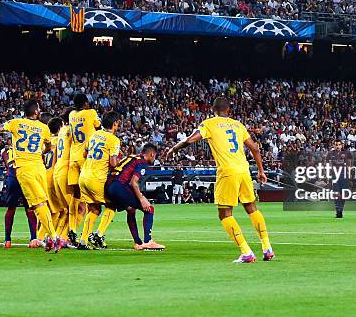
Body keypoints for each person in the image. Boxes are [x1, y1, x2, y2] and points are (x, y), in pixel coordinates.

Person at [166, 97, 273, 263]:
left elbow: (190, 140)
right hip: (244, 170)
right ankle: (267, 248)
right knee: (251, 208)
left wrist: (174, 148)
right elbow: (255, 148)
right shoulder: (238, 125)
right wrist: (260, 170)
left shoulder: (209, 123)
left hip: (227, 171)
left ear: (213, 109)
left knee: (224, 213)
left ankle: (246, 252)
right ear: (228, 110)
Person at [0, 99, 65, 252]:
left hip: (24, 170)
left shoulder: (15, 123)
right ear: (36, 112)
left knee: (37, 205)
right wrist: (41, 152)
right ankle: (48, 237)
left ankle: (53, 238)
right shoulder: (44, 128)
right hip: (39, 168)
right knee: (41, 203)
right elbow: (48, 146)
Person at [105, 143, 165, 250]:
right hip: (119, 186)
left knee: (131, 209)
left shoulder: (131, 157)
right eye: (155, 156)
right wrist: (142, 199)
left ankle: (138, 243)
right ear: (151, 154)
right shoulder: (142, 162)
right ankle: (147, 241)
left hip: (108, 186)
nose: (154, 159)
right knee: (149, 209)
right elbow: (134, 182)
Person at [77, 111, 121, 250]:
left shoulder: (94, 135)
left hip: (83, 177)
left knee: (94, 209)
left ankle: (83, 241)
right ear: (115, 124)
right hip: (97, 178)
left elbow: (84, 154)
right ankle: (99, 234)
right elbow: (113, 163)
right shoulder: (114, 140)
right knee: (112, 205)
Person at [67, 93, 101, 245]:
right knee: (91, 197)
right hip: (86, 157)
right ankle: (87, 232)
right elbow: (99, 128)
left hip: (73, 157)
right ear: (86, 103)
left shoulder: (71, 115)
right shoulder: (91, 113)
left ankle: (72, 228)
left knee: (75, 195)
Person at [1, 143, 41, 248]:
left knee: (11, 209)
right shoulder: (27, 148)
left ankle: (7, 240)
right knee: (30, 209)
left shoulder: (5, 151)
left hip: (12, 178)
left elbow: (7, 163)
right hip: (24, 177)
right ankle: (33, 239)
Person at [53, 108, 75, 241]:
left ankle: (56, 237)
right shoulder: (71, 131)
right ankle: (64, 237)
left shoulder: (61, 130)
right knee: (77, 209)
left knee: (65, 210)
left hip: (57, 170)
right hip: (65, 171)